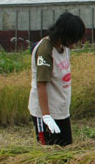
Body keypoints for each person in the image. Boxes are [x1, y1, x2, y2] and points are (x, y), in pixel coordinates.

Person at [28, 12, 86, 146]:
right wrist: (46, 117)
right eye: (74, 40)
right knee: (50, 155)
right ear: (65, 35)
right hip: (46, 112)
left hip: (61, 111)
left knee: (65, 149)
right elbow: (41, 85)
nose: (75, 44)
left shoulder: (63, 48)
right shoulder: (45, 50)